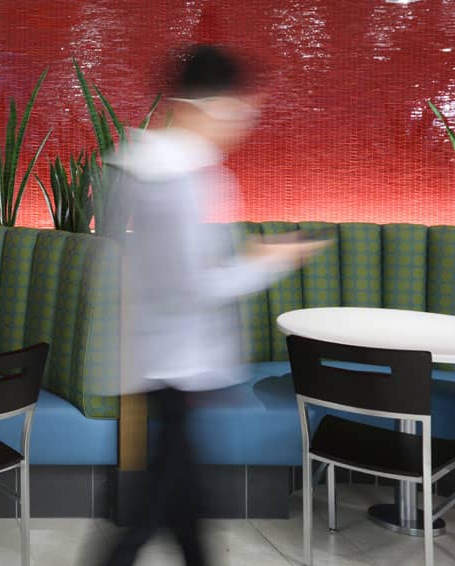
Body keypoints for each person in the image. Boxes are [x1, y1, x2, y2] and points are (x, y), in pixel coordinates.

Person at [99, 45, 326, 566]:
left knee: (181, 505)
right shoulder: (179, 177)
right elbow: (190, 287)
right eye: (239, 110)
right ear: (204, 106)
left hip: (162, 360)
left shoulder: (146, 162)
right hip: (176, 366)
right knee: (158, 508)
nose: (242, 124)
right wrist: (270, 260)